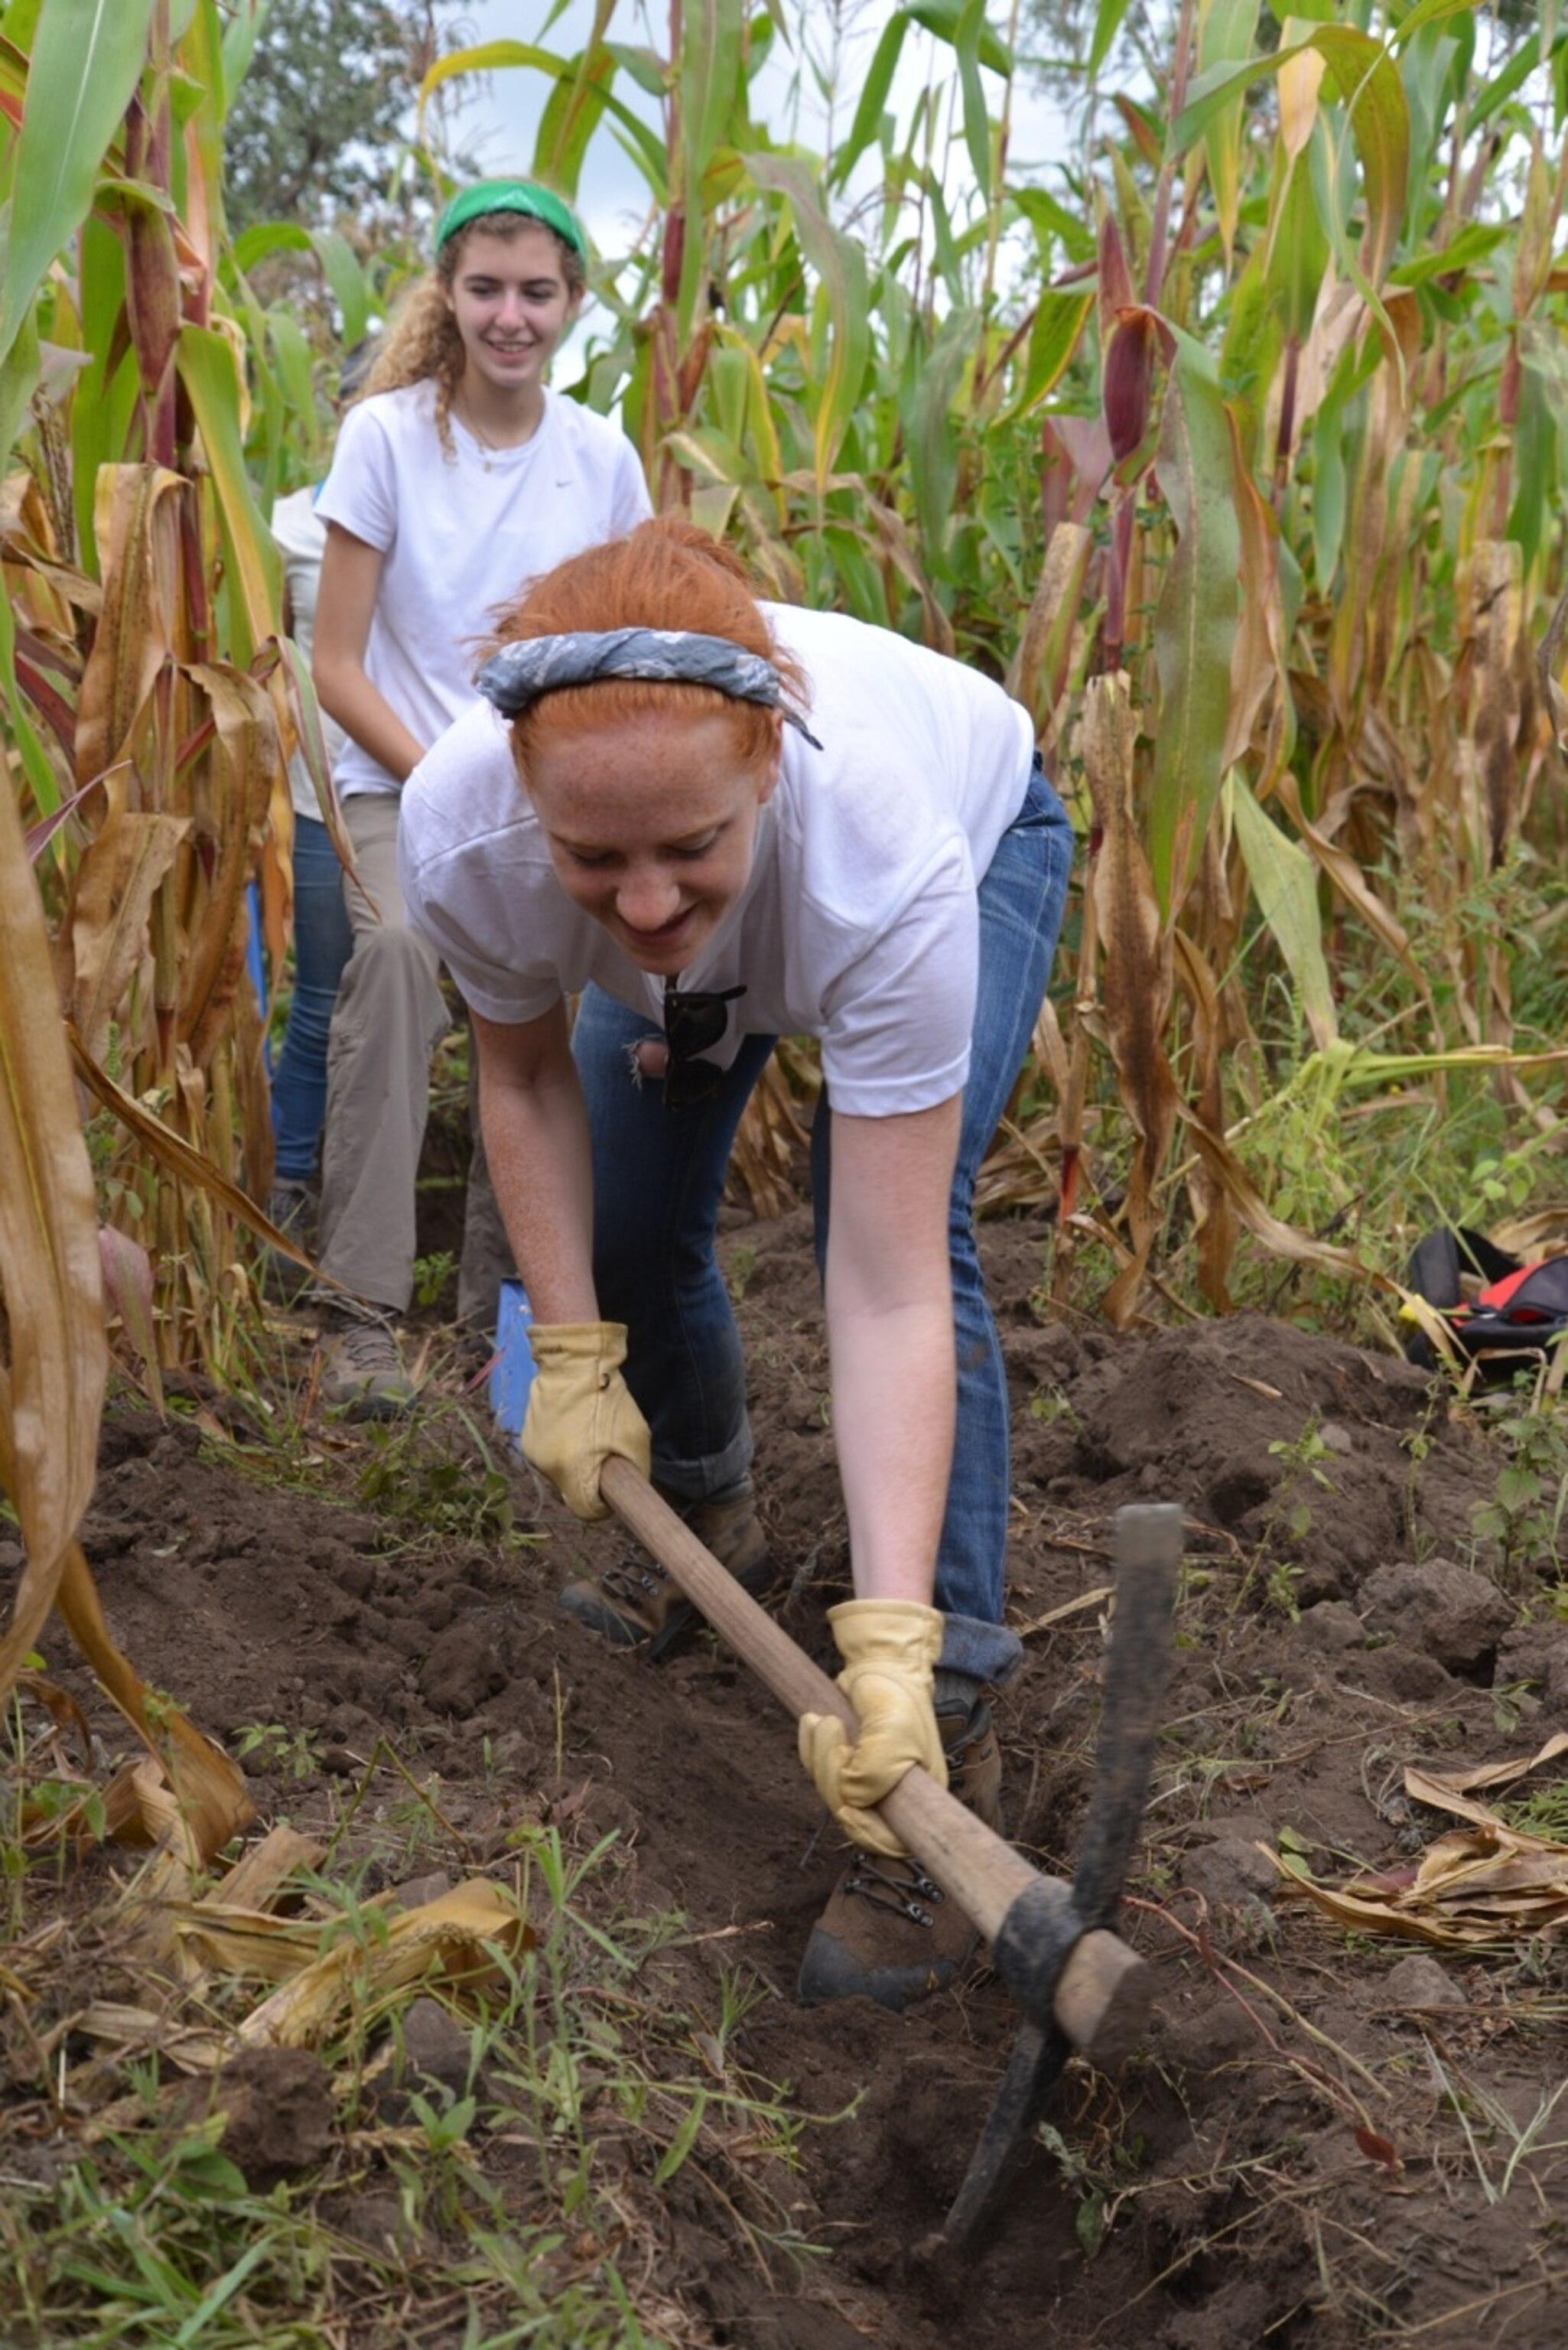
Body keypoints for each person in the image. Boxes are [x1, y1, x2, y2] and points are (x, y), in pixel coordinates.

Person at [398, 518, 1075, 2012]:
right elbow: (518, 1087)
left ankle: (929, 1742)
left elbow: (885, 1282)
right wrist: (569, 1354)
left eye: (685, 849)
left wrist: (881, 1644)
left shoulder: (879, 857)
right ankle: (708, 1523)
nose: (640, 906)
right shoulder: (465, 838)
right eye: (593, 859)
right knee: (626, 1224)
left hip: (981, 838)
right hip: (751, 922)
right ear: (526, 800)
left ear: (767, 762)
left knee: (886, 1201)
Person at [309, 177, 652, 1414]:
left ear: (571, 301)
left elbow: (627, 643)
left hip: (541, 800)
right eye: (486, 289)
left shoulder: (599, 457)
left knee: (549, 1020)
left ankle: (512, 1337)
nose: (511, 315)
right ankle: (356, 1312)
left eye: (537, 292)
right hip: (396, 782)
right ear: (448, 295)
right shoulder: (388, 438)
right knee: (400, 954)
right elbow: (335, 666)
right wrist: (443, 780)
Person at [263, 346, 372, 1271]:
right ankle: (288, 1190)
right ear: (338, 407)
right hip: (319, 803)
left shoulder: (429, 520)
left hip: (428, 799)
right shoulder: (286, 527)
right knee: (323, 1006)